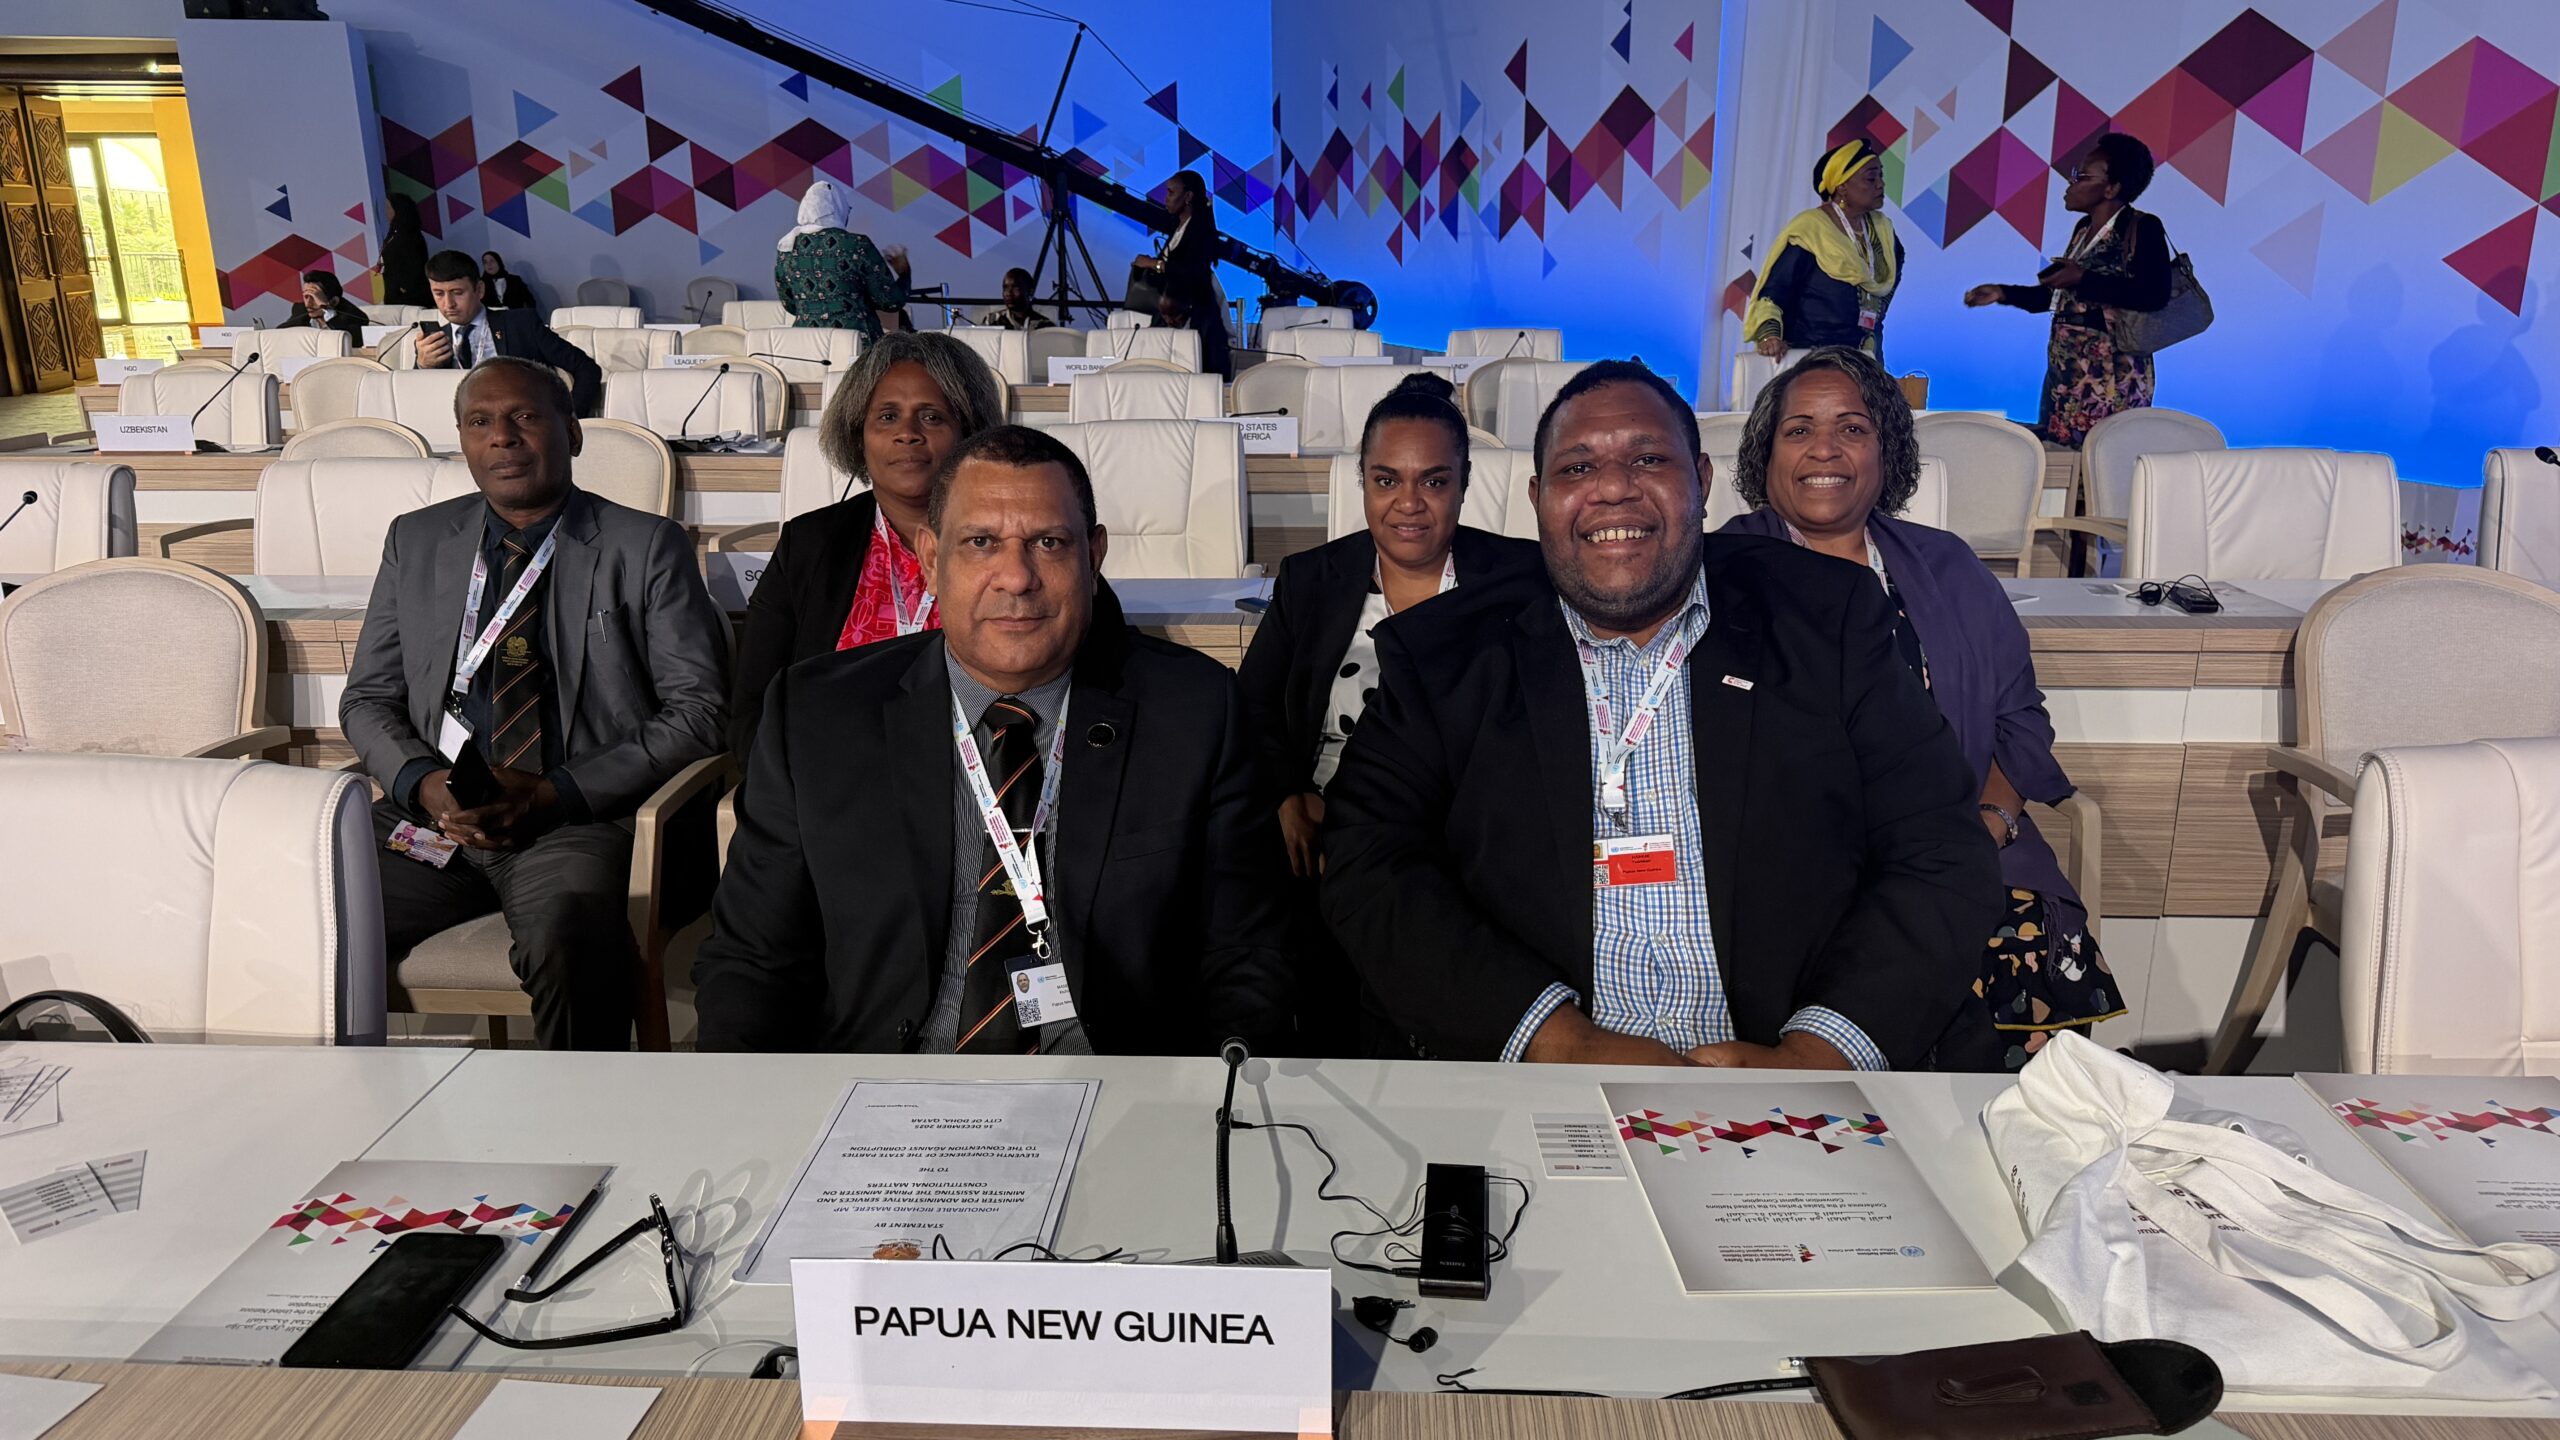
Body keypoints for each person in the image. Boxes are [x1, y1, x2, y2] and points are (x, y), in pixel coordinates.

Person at [1321, 358, 2001, 1069]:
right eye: (1577, 469)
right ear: (1537, 497)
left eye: (1648, 458)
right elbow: (1369, 861)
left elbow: (1940, 848)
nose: (1613, 488)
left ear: (1701, 483)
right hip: (1537, 1080)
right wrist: (1556, 1040)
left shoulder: (1829, 621)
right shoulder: (1447, 654)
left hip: (1788, 1074)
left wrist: (1818, 1053)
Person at [694, 425, 1291, 1055]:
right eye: (982, 542)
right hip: (886, 1088)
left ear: (1093, 557)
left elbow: (1249, 950)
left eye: (1048, 543)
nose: (1016, 577)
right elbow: (752, 959)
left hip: (1119, 1084)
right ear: (930, 558)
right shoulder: (817, 715)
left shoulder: (1195, 711)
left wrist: (1218, 1100)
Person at [1719, 347, 2121, 1070]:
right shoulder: (1722, 571)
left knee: (2014, 970)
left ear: (1887, 452)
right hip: (1788, 879)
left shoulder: (1946, 564)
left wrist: (1990, 825)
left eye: (1852, 428)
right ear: (1766, 452)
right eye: (1799, 429)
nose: (1825, 450)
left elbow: (2020, 718)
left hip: (1963, 855)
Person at [340, 357, 730, 1050]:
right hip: (436, 816)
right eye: (480, 422)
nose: (503, 438)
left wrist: (554, 794)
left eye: (525, 417)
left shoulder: (645, 547)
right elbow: (369, 697)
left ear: (572, 434)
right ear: (461, 440)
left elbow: (700, 711)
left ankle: (585, 1138)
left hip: (572, 818)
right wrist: (420, 783)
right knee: (297, 904)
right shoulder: (417, 541)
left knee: (571, 935)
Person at [1237, 373, 1542, 1055]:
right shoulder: (1313, 579)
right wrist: (1287, 792)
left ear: (1464, 484)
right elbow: (1253, 705)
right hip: (1323, 839)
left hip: (1465, 837)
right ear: (1362, 482)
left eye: (1434, 482)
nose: (1409, 504)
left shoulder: (1522, 580)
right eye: (1386, 480)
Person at [727, 331, 1007, 764]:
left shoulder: (1020, 536)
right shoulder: (809, 545)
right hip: (834, 794)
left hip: (987, 792)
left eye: (932, 417)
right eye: (887, 417)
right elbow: (752, 710)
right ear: (859, 436)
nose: (908, 434)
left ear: (969, 433)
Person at [1964, 133, 2171, 446]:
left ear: (2112, 188)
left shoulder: (2143, 227)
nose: (2071, 182)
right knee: (2067, 468)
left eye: (2082, 175)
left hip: (2112, 377)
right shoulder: (2082, 231)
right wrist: (2003, 293)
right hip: (2070, 374)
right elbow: (2058, 298)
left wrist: (2083, 279)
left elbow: (2154, 295)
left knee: (2104, 466)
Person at [1745, 139, 1904, 364]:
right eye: (1871, 178)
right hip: (1812, 360)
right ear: (1841, 186)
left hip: (1867, 358)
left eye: (1881, 176)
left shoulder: (1884, 231)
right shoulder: (1810, 230)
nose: (1880, 184)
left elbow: (1886, 290)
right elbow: (1774, 291)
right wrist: (1770, 335)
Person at [416, 250, 603, 415]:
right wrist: (422, 366)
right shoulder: (433, 341)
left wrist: (568, 419)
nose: (448, 304)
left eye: (457, 292)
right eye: (439, 294)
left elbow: (587, 369)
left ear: (479, 289)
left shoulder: (521, 324)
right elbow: (419, 399)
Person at [774, 178, 910, 341]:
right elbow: (891, 302)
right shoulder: (857, 244)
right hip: (857, 345)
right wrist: (904, 274)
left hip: (806, 346)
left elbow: (790, 305)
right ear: (839, 209)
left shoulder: (786, 248)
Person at [1134, 169, 1233, 380]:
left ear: (1188, 196)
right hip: (1173, 312)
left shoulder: (1200, 230)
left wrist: (1155, 264)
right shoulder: (1178, 227)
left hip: (1196, 314)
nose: (1166, 198)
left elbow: (1192, 269)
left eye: (1171, 192)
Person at [279, 270, 366, 340]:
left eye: (315, 297)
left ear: (334, 301)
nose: (308, 304)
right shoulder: (300, 310)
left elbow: (353, 341)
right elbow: (279, 334)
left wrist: (326, 310)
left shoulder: (354, 315)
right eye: (306, 296)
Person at [376, 194, 429, 307]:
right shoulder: (394, 232)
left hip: (409, 297)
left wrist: (404, 287)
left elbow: (415, 265)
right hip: (394, 292)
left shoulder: (410, 235)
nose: (386, 212)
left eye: (389, 208)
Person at [977, 266, 1054, 330]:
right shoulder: (992, 321)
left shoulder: (1045, 326)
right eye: (1005, 288)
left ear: (1030, 291)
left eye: (1015, 288)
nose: (1008, 293)